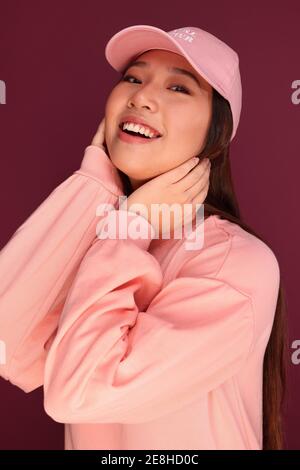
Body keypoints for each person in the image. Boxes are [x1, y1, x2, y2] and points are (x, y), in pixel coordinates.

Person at [0, 25, 288, 450]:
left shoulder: (235, 262)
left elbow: (78, 393)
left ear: (218, 133)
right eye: (133, 78)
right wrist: (94, 184)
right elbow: (9, 344)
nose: (141, 96)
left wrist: (128, 229)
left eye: (179, 87)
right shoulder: (106, 233)